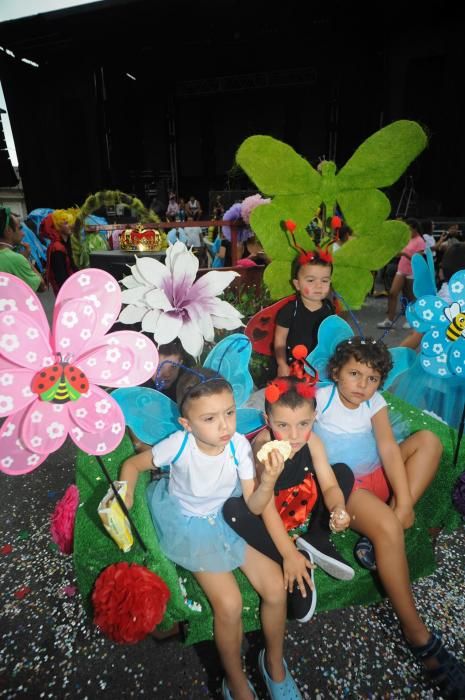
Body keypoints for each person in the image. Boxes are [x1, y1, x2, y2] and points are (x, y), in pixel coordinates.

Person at [119, 368, 302, 700]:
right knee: (229, 604)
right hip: (189, 524)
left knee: (275, 585)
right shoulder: (178, 445)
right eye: (210, 418)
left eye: (229, 412)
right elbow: (133, 466)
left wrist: (268, 481)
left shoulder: (238, 448)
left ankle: (273, 662)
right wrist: (127, 493)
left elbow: (256, 505)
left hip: (227, 516)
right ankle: (235, 680)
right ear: (187, 424)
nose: (225, 426)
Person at [312, 336, 465, 698]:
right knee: (386, 528)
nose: (361, 386)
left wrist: (405, 502)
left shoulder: (374, 403)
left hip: (376, 472)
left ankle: (385, 531)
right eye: (354, 374)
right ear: (335, 373)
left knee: (429, 440)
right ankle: (419, 637)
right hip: (347, 487)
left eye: (371, 379)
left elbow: (387, 448)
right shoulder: (320, 398)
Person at [224, 374, 354, 624]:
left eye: (303, 424)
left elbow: (328, 485)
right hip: (270, 517)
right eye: (283, 425)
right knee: (233, 511)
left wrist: (338, 508)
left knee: (343, 472)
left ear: (314, 418)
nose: (294, 435)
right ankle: (297, 557)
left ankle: (316, 538)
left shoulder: (312, 442)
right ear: (268, 420)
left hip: (302, 506)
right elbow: (267, 509)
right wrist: (289, 555)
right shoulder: (262, 450)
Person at [272, 250, 334, 378]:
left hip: (320, 368)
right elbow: (280, 341)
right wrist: (282, 364)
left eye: (324, 281)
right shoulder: (290, 310)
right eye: (311, 280)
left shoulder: (329, 308)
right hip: (293, 369)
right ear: (297, 284)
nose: (319, 286)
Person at [377, 218, 426, 329]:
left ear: (415, 229)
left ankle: (413, 320)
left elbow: (417, 259)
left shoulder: (420, 241)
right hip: (402, 268)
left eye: (409, 229)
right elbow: (401, 251)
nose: (407, 232)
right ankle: (389, 320)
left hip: (412, 271)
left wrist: (404, 254)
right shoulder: (406, 239)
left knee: (411, 297)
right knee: (393, 293)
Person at [0, 207, 45, 291]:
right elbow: (42, 286)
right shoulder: (15, 259)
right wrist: (25, 259)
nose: (23, 234)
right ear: (8, 231)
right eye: (19, 228)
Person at [40, 209, 78, 295]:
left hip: (73, 287)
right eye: (66, 223)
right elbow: (61, 278)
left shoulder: (67, 243)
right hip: (67, 292)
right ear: (57, 227)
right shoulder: (57, 248)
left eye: (70, 222)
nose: (71, 225)